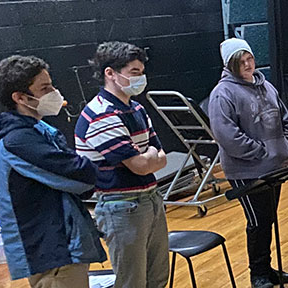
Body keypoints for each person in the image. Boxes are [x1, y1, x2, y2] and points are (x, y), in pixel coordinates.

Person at [0, 55, 104, 287]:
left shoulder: (37, 131)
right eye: (45, 88)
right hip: (50, 252)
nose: (54, 92)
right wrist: (88, 168)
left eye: (51, 84)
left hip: (61, 246)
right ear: (20, 98)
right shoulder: (18, 141)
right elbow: (81, 176)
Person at [74, 41, 170, 288]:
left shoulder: (136, 108)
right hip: (122, 207)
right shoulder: (101, 114)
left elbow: (162, 156)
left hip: (151, 198)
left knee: (158, 278)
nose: (141, 78)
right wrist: (149, 157)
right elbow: (140, 165)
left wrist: (149, 158)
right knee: (132, 282)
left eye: (142, 72)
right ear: (110, 73)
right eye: (134, 73)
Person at [208, 38, 288, 288]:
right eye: (241, 61)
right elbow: (226, 134)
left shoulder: (266, 85)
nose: (248, 65)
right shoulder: (222, 93)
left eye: (250, 59)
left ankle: (267, 269)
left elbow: (284, 117)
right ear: (230, 64)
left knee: (267, 218)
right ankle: (257, 274)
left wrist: (284, 143)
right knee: (257, 222)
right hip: (246, 170)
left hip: (274, 165)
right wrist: (259, 151)